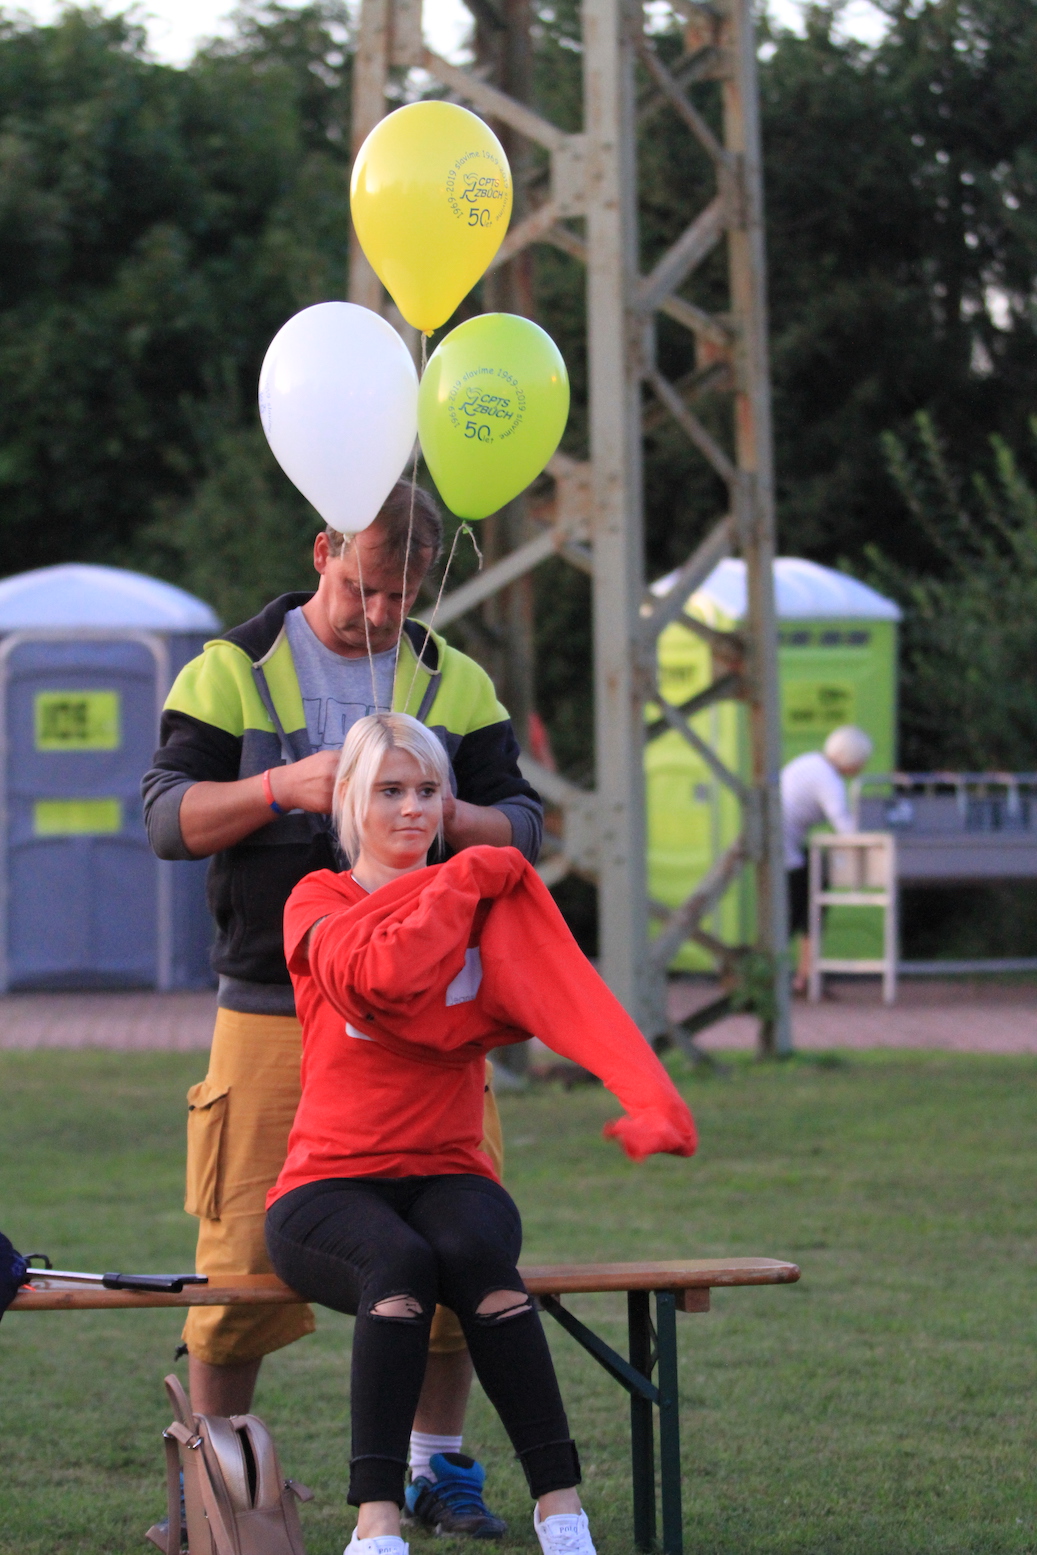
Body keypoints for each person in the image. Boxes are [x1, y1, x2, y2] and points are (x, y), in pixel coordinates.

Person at [142, 481, 542, 1536]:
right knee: (239, 1261)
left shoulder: (454, 679)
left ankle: (434, 1467)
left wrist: (426, 804)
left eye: (403, 595)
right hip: (271, 1009)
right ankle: (215, 1478)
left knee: (458, 1244)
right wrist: (287, 786)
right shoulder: (231, 668)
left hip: (425, 1021)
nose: (382, 614)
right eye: (365, 588)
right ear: (322, 551)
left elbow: (525, 826)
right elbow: (168, 821)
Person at [265, 712, 697, 1555]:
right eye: (390, 790)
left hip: (450, 1172)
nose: (412, 808)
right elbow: (376, 975)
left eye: (428, 790)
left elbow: (568, 994)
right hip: (326, 1187)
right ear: (348, 798)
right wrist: (458, 882)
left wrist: (651, 1096)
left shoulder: (486, 901)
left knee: (477, 1257)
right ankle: (375, 1522)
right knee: (398, 1264)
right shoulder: (318, 901)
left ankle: (561, 1512)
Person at [781, 725, 873, 994]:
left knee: (798, 910)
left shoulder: (809, 762)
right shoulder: (829, 780)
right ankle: (801, 977)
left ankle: (799, 976)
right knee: (802, 911)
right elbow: (845, 827)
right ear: (850, 759)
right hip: (785, 851)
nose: (862, 767)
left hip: (782, 847)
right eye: (861, 761)